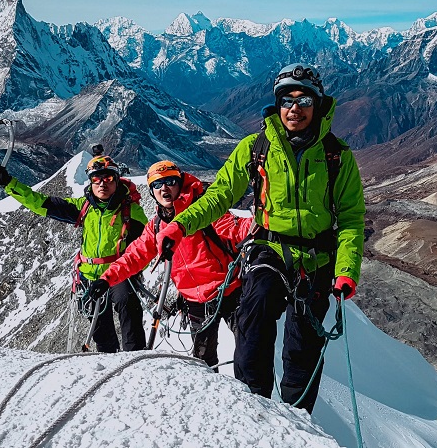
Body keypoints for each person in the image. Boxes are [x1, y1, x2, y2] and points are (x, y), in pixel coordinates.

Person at [154, 63, 365, 413]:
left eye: (304, 100)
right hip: (269, 247)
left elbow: (351, 220)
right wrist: (181, 224)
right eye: (287, 99)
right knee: (254, 314)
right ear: (277, 104)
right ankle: (255, 405)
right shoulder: (256, 148)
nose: (294, 108)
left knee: (303, 344)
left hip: (317, 260)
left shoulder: (337, 157)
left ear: (319, 104)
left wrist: (346, 271)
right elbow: (220, 195)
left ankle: (297, 416)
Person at [85, 160, 253, 368]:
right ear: (151, 191)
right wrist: (106, 280)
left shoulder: (203, 212)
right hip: (195, 300)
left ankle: (253, 398)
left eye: (170, 181)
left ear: (180, 183)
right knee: (204, 361)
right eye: (157, 184)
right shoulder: (156, 226)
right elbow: (133, 257)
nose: (164, 188)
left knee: (249, 355)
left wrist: (265, 220)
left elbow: (237, 228)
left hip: (229, 292)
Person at [0, 155, 148, 352]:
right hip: (90, 274)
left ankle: (135, 356)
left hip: (120, 272)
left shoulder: (131, 211)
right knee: (100, 325)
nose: (102, 184)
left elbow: (144, 248)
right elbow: (43, 204)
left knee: (127, 303)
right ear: (90, 182)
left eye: (107, 179)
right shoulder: (84, 207)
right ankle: (109, 359)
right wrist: (10, 184)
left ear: (116, 180)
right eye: (96, 179)